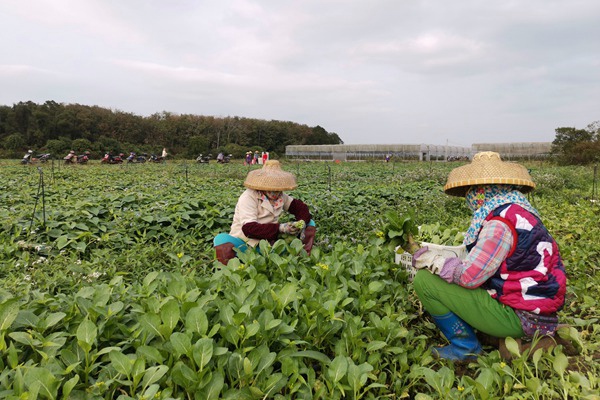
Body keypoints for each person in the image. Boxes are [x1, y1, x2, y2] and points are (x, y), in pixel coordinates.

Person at [411, 151, 566, 361]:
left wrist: (434, 262)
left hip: (520, 316)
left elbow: (469, 277)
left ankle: (465, 347)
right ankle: (492, 333)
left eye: (472, 190)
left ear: (482, 191)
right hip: (537, 309)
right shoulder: (519, 212)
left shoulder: (498, 224)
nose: (469, 196)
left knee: (425, 280)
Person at [213, 160, 316, 265]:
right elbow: (249, 229)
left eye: (278, 189)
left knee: (310, 223)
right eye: (272, 189)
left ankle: (302, 259)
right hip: (245, 243)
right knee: (221, 240)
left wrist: (301, 223)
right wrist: (281, 228)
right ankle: (233, 266)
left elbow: (299, 208)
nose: (275, 193)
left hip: (269, 243)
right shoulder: (248, 197)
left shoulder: (281, 196)